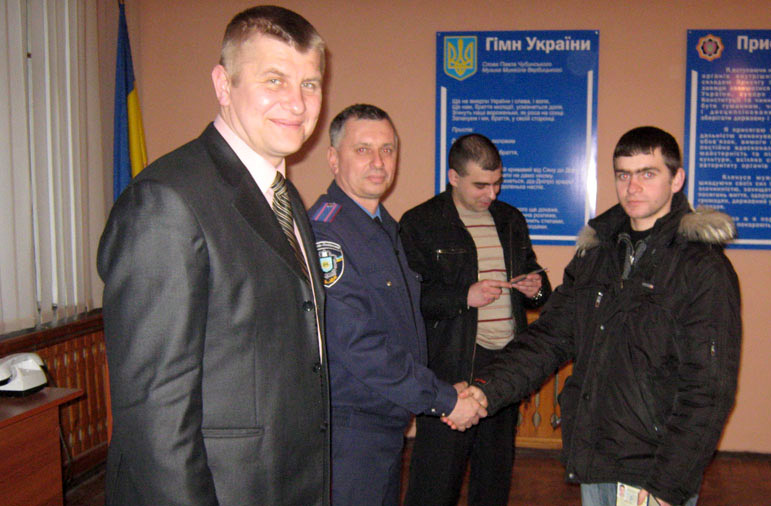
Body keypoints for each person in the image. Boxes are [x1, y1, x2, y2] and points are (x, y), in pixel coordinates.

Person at [97, 6, 330, 505]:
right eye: (274, 79)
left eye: (310, 84)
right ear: (224, 85)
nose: (297, 102)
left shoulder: (287, 199)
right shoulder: (166, 201)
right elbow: (155, 414)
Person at [462, 126, 741, 506]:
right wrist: (485, 389)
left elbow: (708, 390)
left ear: (677, 180)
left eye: (647, 173)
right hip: (596, 457)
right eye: (623, 175)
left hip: (654, 470)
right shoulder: (596, 255)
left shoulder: (702, 268)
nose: (632, 187)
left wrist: (669, 486)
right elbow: (549, 338)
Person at [308, 104, 486, 506]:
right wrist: (443, 399)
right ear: (334, 159)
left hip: (383, 423)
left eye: (387, 150)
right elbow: (358, 343)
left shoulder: (383, 227)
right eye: (363, 150)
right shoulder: (327, 233)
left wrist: (439, 387)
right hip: (350, 432)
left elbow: (398, 327)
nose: (378, 162)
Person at [399, 133, 551, 506]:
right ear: (453, 177)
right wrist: (463, 296)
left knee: (493, 480)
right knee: (436, 482)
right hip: (450, 368)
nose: (492, 194)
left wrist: (536, 288)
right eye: (481, 185)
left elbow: (536, 279)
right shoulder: (420, 222)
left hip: (506, 367)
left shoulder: (510, 219)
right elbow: (407, 300)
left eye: (497, 183)